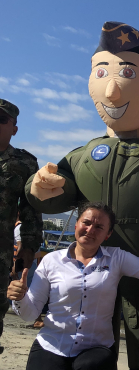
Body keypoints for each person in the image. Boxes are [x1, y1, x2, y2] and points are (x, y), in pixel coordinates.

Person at [25, 23, 139, 370]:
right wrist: (41, 188)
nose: (112, 89)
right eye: (101, 72)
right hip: (92, 262)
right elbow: (58, 191)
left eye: (127, 73)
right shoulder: (87, 154)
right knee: (90, 322)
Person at [8, 202, 139, 370]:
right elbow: (30, 315)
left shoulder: (116, 258)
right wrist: (20, 298)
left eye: (99, 227)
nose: (90, 230)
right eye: (86, 223)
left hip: (94, 348)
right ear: (77, 224)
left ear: (108, 235)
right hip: (54, 343)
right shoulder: (51, 261)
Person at [0, 99, 42, 343]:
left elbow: (31, 211)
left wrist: (27, 248)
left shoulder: (24, 163)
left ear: (14, 128)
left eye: (1, 119)